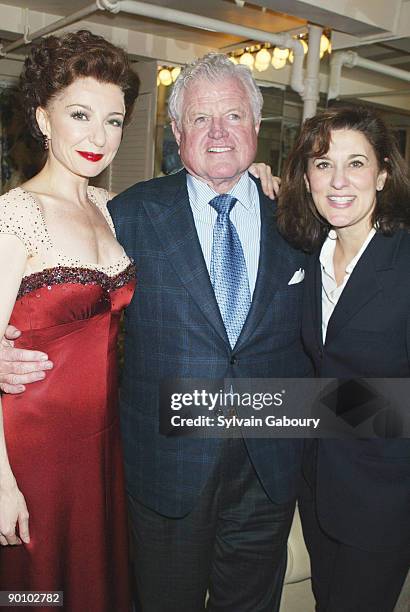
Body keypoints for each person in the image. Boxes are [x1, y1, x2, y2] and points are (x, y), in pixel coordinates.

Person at [0, 52, 310, 611]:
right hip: (160, 468)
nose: (218, 133)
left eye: (234, 116)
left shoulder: (297, 214)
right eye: (199, 119)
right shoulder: (132, 213)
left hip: (265, 466)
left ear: (257, 127)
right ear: (175, 132)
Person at [0, 30, 139, 611]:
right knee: (39, 591)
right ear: (42, 118)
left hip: (102, 443)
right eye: (79, 114)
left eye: (113, 120)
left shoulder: (111, 208)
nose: (97, 136)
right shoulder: (15, 214)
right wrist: (1, 482)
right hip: (32, 446)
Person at [277, 105, 410, 612]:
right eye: (322, 163)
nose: (337, 181)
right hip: (319, 488)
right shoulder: (309, 255)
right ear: (306, 175)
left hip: (384, 497)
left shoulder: (403, 261)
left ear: (381, 174)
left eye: (356, 164)